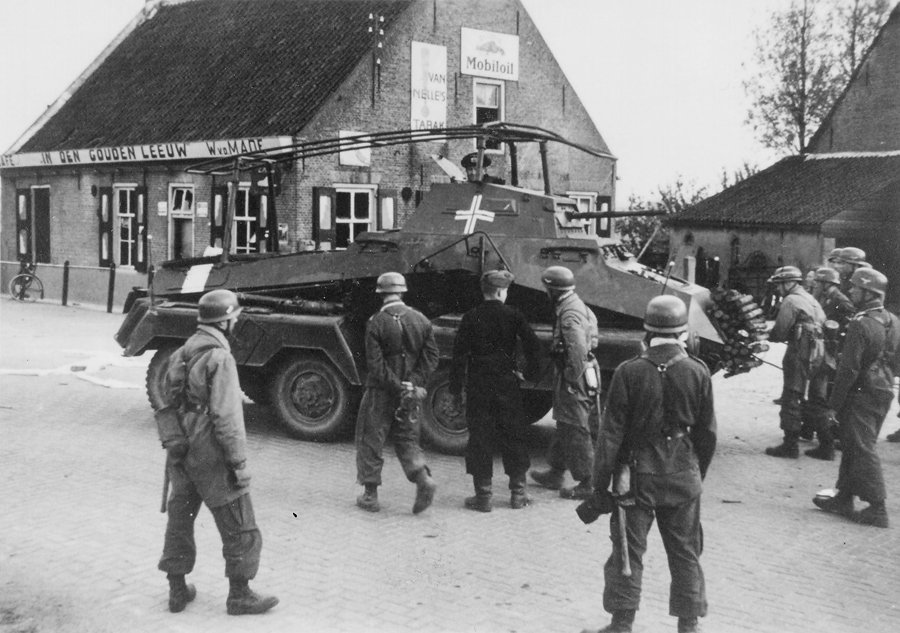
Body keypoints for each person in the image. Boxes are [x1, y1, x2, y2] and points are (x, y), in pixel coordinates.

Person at [580, 295, 716, 633]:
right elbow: (708, 433)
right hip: (684, 476)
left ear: (647, 331)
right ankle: (689, 624)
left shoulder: (629, 371)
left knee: (628, 553)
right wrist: (697, 473)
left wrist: (600, 486)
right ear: (684, 334)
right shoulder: (699, 371)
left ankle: (622, 624)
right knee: (685, 551)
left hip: (636, 479)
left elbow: (609, 435)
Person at [158, 289, 278, 616]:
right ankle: (240, 595)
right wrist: (238, 463)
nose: (236, 321)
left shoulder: (180, 353)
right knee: (240, 521)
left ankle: (177, 590)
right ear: (225, 321)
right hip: (210, 447)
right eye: (234, 317)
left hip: (181, 445)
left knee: (180, 517)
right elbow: (227, 418)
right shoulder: (220, 358)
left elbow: (168, 401)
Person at [449, 269, 542, 512]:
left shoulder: (471, 316)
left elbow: (458, 356)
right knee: (513, 435)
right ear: (501, 291)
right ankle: (518, 495)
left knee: (480, 438)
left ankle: (483, 497)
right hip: (506, 383)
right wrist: (529, 374)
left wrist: (456, 391)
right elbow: (533, 345)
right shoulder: (514, 315)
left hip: (479, 385)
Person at [813, 268, 899, 528]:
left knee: (861, 447)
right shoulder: (893, 320)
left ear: (868, 292)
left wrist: (833, 406)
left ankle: (877, 507)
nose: (850, 291)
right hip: (882, 389)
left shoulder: (861, 324)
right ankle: (844, 497)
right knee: (854, 443)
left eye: (854, 288)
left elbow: (848, 369)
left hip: (861, 392)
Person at [355, 272, 440, 514]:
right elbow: (432, 356)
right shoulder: (421, 320)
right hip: (411, 393)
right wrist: (412, 383)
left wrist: (395, 384)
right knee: (407, 439)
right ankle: (423, 479)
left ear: (381, 294)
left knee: (371, 438)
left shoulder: (375, 322)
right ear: (402, 292)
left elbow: (375, 365)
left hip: (380, 392)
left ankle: (370, 496)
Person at [530, 265, 600, 500]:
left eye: (547, 288)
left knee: (574, 427)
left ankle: (587, 482)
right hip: (582, 371)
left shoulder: (569, 313)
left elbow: (578, 350)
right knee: (564, 422)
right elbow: (594, 332)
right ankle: (556, 471)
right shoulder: (575, 304)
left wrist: (571, 379)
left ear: (553, 290)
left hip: (575, 376)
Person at [764, 266, 825, 458]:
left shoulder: (791, 300)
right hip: (818, 350)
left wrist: (766, 335)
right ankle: (825, 442)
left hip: (800, 349)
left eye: (779, 284)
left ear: (789, 283)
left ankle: (790, 445)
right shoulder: (811, 299)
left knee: (792, 392)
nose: (778, 289)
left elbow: (780, 330)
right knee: (812, 395)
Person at [801, 266, 856, 460]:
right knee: (817, 394)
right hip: (822, 351)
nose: (814, 284)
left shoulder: (841, 301)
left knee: (820, 396)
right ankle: (812, 431)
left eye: (817, 282)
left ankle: (827, 444)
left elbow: (849, 330)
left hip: (831, 355)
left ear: (826, 284)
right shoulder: (824, 299)